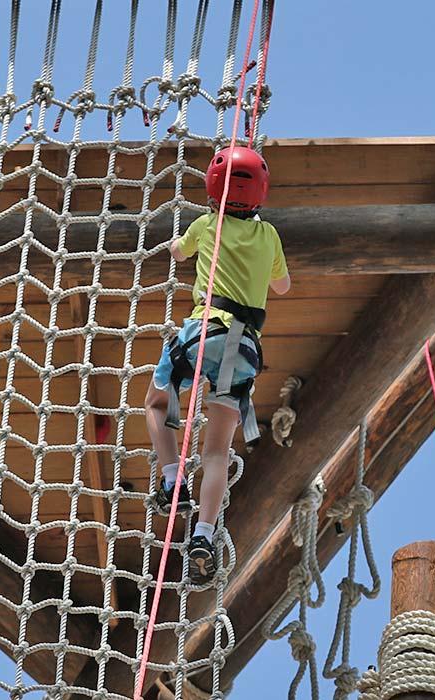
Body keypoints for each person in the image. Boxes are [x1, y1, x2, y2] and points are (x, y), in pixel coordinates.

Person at [144, 146, 290, 586]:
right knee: (216, 451)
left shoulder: (207, 224)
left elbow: (178, 253)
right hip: (244, 348)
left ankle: (173, 481)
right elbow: (281, 287)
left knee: (156, 403)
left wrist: (177, 242)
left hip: (203, 332)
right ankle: (204, 532)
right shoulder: (270, 238)